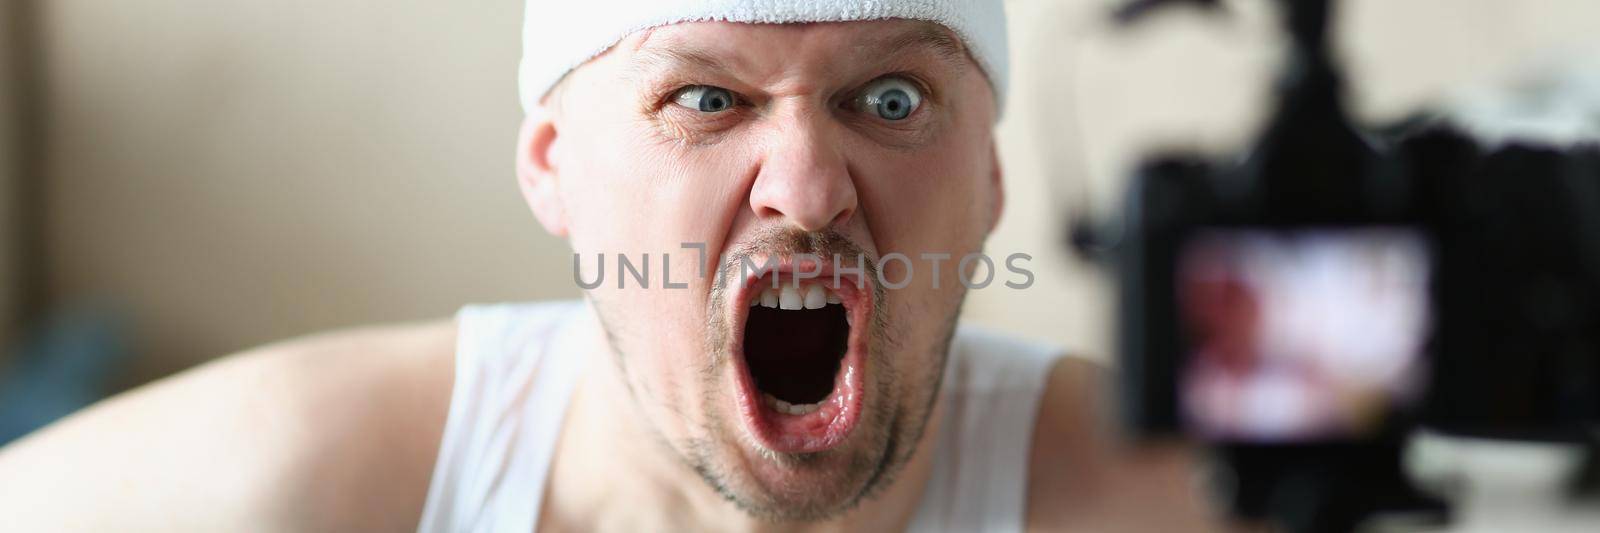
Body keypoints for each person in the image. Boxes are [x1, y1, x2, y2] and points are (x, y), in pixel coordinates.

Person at [0, 2, 1210, 531]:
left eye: (891, 97)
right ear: (554, 168)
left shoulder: (1164, 502)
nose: (807, 184)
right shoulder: (303, 479)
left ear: (990, 181)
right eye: (704, 97)